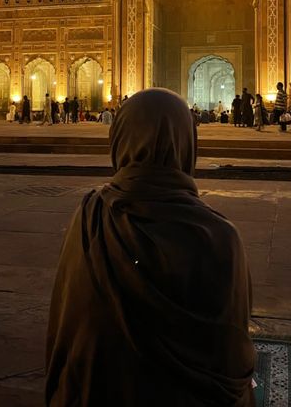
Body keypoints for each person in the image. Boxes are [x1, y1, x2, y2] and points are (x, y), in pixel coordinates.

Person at [45, 88, 256, 407]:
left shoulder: (91, 215)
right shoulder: (217, 237)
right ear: (186, 142)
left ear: (119, 138)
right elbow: (231, 354)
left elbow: (65, 333)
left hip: (93, 394)